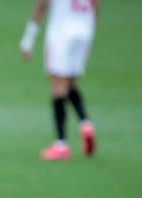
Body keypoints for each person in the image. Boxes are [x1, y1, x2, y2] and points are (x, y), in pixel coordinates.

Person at [20, 0, 99, 160]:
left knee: (58, 88)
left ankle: (61, 144)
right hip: (84, 31)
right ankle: (85, 124)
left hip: (61, 32)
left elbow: (42, 5)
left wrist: (27, 40)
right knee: (70, 83)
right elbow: (95, 5)